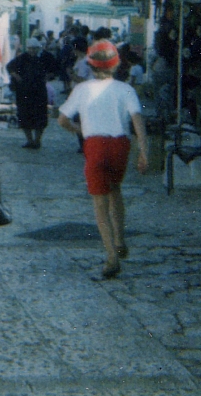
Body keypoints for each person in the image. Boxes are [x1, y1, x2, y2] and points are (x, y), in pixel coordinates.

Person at [57, 40, 148, 279]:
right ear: (116, 65)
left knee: (99, 203)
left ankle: (111, 256)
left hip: (95, 144)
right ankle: (120, 239)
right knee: (115, 189)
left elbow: (62, 120)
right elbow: (138, 121)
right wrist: (144, 152)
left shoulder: (82, 89)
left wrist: (80, 129)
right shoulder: (125, 89)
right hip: (120, 145)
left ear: (91, 65)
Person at [7, 37, 50, 149]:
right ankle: (29, 140)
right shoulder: (21, 58)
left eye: (35, 48)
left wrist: (48, 77)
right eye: (30, 48)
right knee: (24, 116)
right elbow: (9, 67)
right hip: (24, 91)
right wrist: (17, 76)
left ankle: (37, 140)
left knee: (40, 116)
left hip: (39, 91)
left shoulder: (44, 58)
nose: (32, 51)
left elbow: (54, 68)